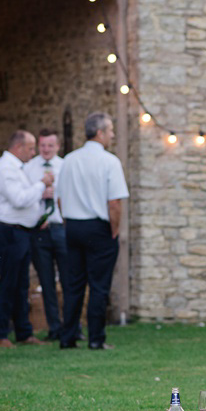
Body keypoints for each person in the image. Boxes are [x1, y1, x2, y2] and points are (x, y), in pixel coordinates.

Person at [56, 112, 130, 350]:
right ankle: (96, 339)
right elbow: (114, 203)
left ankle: (68, 337)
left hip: (73, 226)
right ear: (99, 133)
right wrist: (114, 230)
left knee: (74, 284)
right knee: (99, 285)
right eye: (110, 130)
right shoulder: (109, 161)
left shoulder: (68, 159)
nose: (112, 135)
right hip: (99, 228)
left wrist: (68, 222)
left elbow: (59, 198)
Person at [0, 130, 52, 348]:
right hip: (8, 231)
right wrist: (42, 184)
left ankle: (24, 332)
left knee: (22, 283)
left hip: (21, 231)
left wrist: (37, 218)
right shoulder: (5, 168)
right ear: (18, 147)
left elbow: (26, 201)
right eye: (31, 148)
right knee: (9, 282)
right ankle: (0, 334)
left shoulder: (17, 169)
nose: (34, 153)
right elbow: (18, 199)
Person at [24, 128, 79, 341]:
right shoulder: (29, 168)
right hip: (40, 230)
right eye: (43, 145)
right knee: (46, 282)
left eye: (50, 145)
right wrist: (40, 195)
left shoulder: (65, 166)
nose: (46, 149)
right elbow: (24, 196)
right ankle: (54, 328)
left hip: (60, 227)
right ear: (39, 146)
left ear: (57, 146)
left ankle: (72, 327)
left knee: (69, 280)